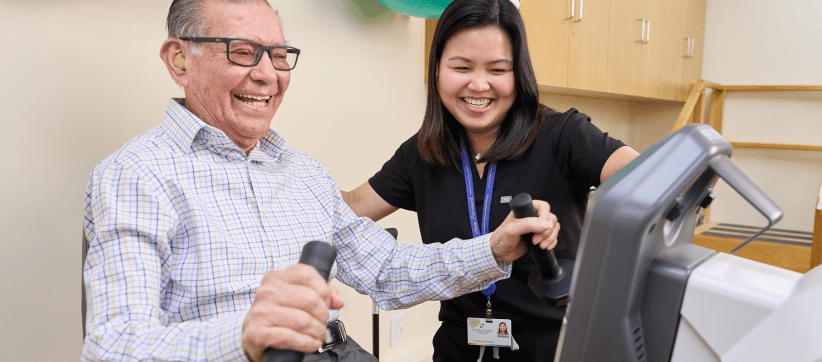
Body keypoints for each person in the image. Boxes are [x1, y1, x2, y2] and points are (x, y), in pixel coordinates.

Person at [81, 1, 560, 361]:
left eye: (278, 55)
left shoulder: (302, 171)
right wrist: (245, 335)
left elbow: (386, 270)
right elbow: (113, 346)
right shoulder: (136, 176)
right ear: (178, 60)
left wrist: (494, 247)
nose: (268, 74)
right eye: (243, 52)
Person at [341, 0, 640, 361]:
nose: (479, 84)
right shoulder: (423, 152)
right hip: (459, 346)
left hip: (557, 349)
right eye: (461, 67)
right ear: (437, 69)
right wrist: (277, 172)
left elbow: (655, 180)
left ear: (519, 72)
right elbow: (354, 206)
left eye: (498, 69)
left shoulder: (563, 134)